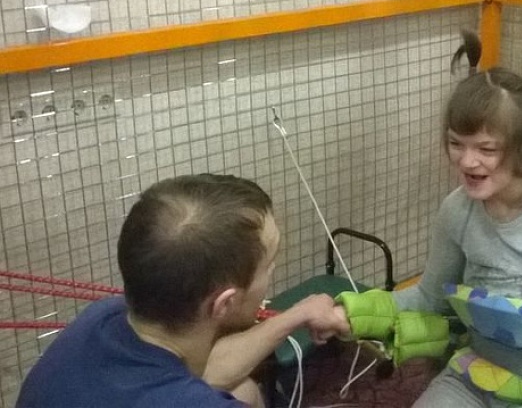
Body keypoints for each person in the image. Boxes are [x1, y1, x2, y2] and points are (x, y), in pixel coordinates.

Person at [340, 33, 522, 407]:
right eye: (456, 143)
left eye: (486, 148)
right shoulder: (457, 209)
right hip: (475, 373)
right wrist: (349, 314)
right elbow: (429, 298)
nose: (467, 162)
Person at [16, 174, 350, 408]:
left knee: (245, 390)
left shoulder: (103, 316)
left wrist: (298, 314)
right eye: (269, 264)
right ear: (224, 303)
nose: (273, 270)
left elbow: (204, 372)